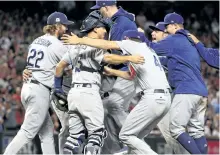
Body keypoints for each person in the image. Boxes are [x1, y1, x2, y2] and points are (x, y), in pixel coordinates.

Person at [61, 29, 171, 154]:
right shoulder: (147, 52)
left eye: (124, 39)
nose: (122, 42)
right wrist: (112, 71)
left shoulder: (133, 45)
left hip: (153, 98)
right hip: (164, 99)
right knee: (136, 138)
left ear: (129, 39)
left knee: (125, 136)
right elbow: (130, 76)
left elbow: (107, 45)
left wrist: (79, 40)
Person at [56, 11, 145, 155]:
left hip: (73, 94)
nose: (105, 31)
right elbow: (109, 58)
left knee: (74, 137)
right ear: (95, 28)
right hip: (89, 93)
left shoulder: (75, 46)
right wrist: (129, 58)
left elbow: (59, 67)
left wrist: (57, 88)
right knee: (96, 134)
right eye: (103, 28)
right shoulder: (96, 46)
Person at [4, 12, 74, 154]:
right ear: (57, 26)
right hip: (39, 90)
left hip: (29, 87)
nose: (66, 29)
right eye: (64, 26)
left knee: (47, 133)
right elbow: (72, 69)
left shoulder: (36, 41)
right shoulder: (57, 45)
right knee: (27, 131)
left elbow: (32, 66)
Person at [143, 12, 208, 154]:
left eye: (167, 27)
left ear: (174, 25)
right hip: (201, 92)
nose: (166, 30)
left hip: (186, 90)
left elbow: (150, 49)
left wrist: (139, 37)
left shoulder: (174, 40)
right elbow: (164, 61)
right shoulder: (189, 42)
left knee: (176, 129)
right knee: (197, 132)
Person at [91, 0, 138, 153]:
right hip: (122, 69)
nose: (99, 12)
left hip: (127, 68)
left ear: (106, 7)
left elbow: (116, 53)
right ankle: (117, 149)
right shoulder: (118, 20)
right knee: (109, 109)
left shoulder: (120, 23)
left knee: (114, 105)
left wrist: (99, 58)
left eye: (100, 9)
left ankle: (132, 140)